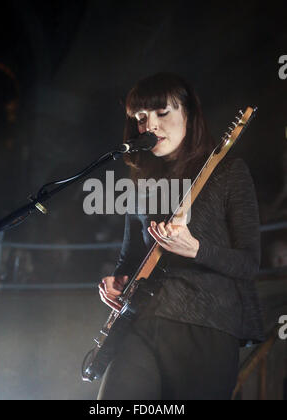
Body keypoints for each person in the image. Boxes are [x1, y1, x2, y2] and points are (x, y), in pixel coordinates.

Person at [97, 72, 265, 400]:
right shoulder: (140, 183)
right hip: (141, 322)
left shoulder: (229, 172)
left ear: (188, 113)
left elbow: (249, 263)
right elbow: (130, 258)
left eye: (163, 113)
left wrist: (196, 249)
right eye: (141, 118)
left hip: (206, 326)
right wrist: (115, 282)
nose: (150, 126)